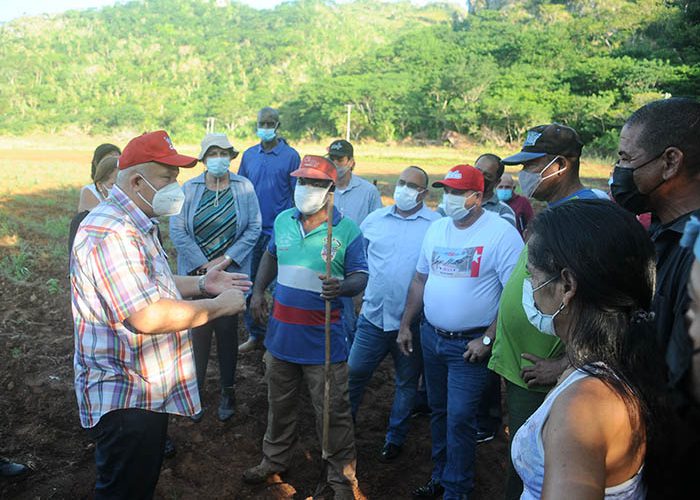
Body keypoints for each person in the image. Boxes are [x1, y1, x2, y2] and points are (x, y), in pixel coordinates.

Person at [70, 130, 250, 499]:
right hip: (126, 396)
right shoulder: (113, 232)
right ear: (137, 181)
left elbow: (150, 282)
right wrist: (219, 307)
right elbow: (146, 315)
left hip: (142, 390)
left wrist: (203, 285)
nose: (176, 188)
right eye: (167, 179)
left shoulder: (133, 222)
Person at [512, 199, 668, 499]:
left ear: (567, 285)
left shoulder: (584, 406)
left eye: (532, 275)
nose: (529, 284)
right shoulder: (617, 362)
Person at [487, 122, 603, 500]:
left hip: (547, 368)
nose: (523, 176)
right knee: (522, 451)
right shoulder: (555, 210)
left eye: (532, 166)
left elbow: (602, 303)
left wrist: (566, 364)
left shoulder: (586, 214)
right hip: (523, 364)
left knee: (536, 463)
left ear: (561, 165)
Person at [243, 155, 368, 499]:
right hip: (281, 337)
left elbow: (361, 275)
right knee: (278, 406)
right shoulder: (284, 221)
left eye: (314, 183)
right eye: (302, 181)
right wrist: (258, 291)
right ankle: (273, 460)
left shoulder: (347, 230)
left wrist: (341, 287)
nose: (305, 189)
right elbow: (270, 255)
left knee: (332, 415)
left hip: (323, 343)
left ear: (330, 190)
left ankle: (342, 481)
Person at [398, 164, 523, 499]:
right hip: (431, 336)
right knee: (438, 413)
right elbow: (420, 279)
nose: (448, 198)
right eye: (446, 191)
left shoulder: (500, 234)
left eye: (456, 192)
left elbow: (513, 295)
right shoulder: (438, 230)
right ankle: (440, 477)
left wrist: (487, 338)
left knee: (460, 418)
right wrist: (407, 323)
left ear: (477, 197)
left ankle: (458, 489)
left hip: (469, 346)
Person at [610, 97, 700, 497]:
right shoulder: (660, 235)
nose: (618, 171)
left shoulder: (694, 255)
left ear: (670, 162)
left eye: (627, 157)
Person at [347, 166, 440, 462]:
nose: (404, 189)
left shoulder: (435, 225)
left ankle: (395, 437)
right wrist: (359, 300)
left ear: (424, 193)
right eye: (401, 183)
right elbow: (356, 263)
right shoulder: (374, 220)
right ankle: (343, 429)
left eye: (412, 186)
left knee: (406, 383)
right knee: (353, 373)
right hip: (372, 318)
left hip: (411, 324)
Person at [169, 133, 261, 422]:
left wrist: (226, 260)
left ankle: (227, 390)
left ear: (230, 157)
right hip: (196, 274)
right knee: (197, 332)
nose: (218, 158)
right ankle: (193, 392)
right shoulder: (190, 188)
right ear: (204, 159)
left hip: (229, 274)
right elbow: (178, 230)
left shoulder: (243, 186)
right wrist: (204, 265)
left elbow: (254, 227)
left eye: (223, 153)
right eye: (213, 153)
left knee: (226, 332)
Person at [238, 107, 301, 353]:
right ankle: (255, 334)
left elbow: (297, 194)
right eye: (261, 122)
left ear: (277, 125)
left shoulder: (291, 156)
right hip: (251, 230)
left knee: (276, 287)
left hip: (278, 231)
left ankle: (275, 337)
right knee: (249, 283)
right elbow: (241, 189)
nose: (265, 126)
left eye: (269, 123)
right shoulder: (249, 155)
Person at [473, 153, 516, 444]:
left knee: (487, 365)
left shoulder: (503, 214)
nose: (483, 178)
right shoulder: (457, 206)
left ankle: (488, 420)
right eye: (478, 171)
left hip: (489, 302)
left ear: (497, 179)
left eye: (488, 175)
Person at [327, 139, 383, 344]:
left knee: (351, 320)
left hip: (355, 267)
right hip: (327, 263)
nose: (335, 163)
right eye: (331, 159)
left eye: (339, 159)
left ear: (351, 162)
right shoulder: (323, 188)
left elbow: (377, 232)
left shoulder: (368, 192)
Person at [70, 155, 119, 251]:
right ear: (100, 185)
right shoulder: (83, 221)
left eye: (122, 184)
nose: (120, 190)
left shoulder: (143, 220)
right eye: (113, 184)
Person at [78, 143, 121, 212]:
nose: (113, 163)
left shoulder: (129, 186)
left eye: (117, 159)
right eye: (108, 160)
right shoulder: (89, 191)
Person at [496, 173, 534, 238]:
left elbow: (531, 224)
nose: (504, 189)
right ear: (496, 187)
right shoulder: (493, 203)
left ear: (513, 188)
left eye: (507, 187)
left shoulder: (522, 202)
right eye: (501, 187)